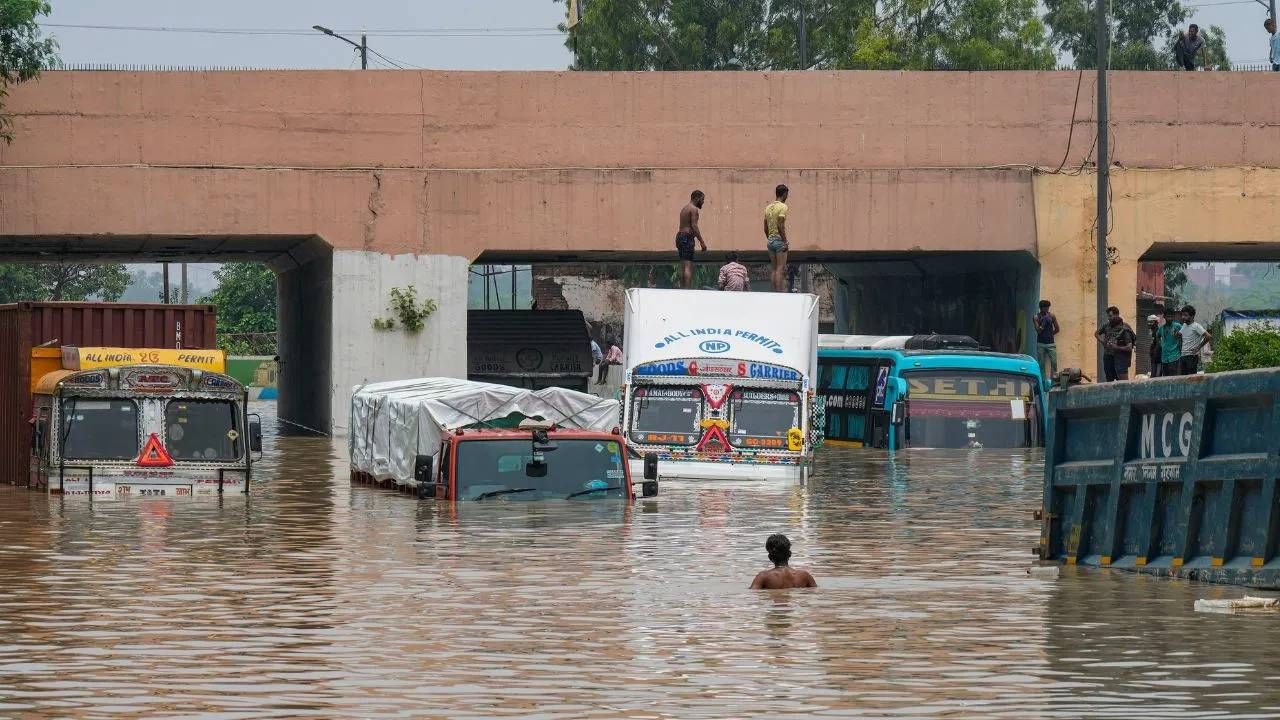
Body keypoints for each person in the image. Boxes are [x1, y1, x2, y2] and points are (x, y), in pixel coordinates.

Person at [749, 534, 817, 590]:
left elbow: (752, 595)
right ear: (790, 554)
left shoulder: (763, 577)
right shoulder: (804, 576)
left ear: (769, 557)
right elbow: (816, 592)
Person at [1094, 306, 1136, 382]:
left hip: (1120, 359)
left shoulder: (1124, 328)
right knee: (1109, 380)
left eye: (1110, 316)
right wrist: (1103, 342)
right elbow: (1096, 334)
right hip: (1108, 357)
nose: (1108, 318)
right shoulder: (1106, 326)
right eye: (1108, 316)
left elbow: (1129, 348)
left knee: (1122, 382)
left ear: (1116, 315)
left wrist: (1116, 347)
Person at [677, 190, 708, 289]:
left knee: (683, 264)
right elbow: (694, 226)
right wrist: (702, 242)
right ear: (697, 198)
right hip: (687, 237)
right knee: (688, 265)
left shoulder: (684, 208)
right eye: (702, 199)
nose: (703, 202)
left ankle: (682, 288)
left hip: (680, 237)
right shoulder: (693, 209)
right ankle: (687, 290)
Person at [763, 184, 790, 292]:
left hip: (770, 240)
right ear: (784, 194)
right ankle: (779, 293)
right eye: (787, 195)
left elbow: (765, 227)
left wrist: (770, 238)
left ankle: (774, 292)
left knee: (774, 269)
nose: (787, 197)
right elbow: (780, 225)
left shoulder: (768, 207)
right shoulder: (783, 207)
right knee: (780, 269)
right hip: (779, 240)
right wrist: (785, 241)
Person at [1176, 305, 1212, 375]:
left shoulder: (1196, 326)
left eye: (1186, 315)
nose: (1183, 317)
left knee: (1191, 378)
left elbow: (1208, 336)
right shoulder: (1184, 325)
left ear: (1192, 316)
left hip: (1191, 356)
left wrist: (1198, 347)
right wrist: (1176, 334)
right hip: (1183, 355)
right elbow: (1180, 335)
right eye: (1182, 315)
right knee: (1183, 378)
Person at [1034, 300, 1060, 381]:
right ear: (1041, 308)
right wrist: (1044, 323)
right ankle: (1043, 382)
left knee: (1054, 363)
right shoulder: (1036, 317)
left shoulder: (1052, 316)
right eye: (1046, 308)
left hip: (1051, 344)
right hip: (1040, 344)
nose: (1047, 309)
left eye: (1048, 307)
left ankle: (1053, 382)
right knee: (1041, 365)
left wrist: (1050, 335)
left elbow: (1057, 329)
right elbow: (1038, 331)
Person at [1157, 306, 1183, 378]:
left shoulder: (1177, 326)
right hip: (1164, 358)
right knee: (1166, 379)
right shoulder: (1161, 328)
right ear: (1164, 317)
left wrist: (1179, 338)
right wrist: (1160, 344)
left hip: (1175, 357)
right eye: (1168, 316)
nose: (1170, 318)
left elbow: (1184, 335)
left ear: (1173, 316)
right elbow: (1158, 336)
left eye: (1171, 316)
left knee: (1175, 379)